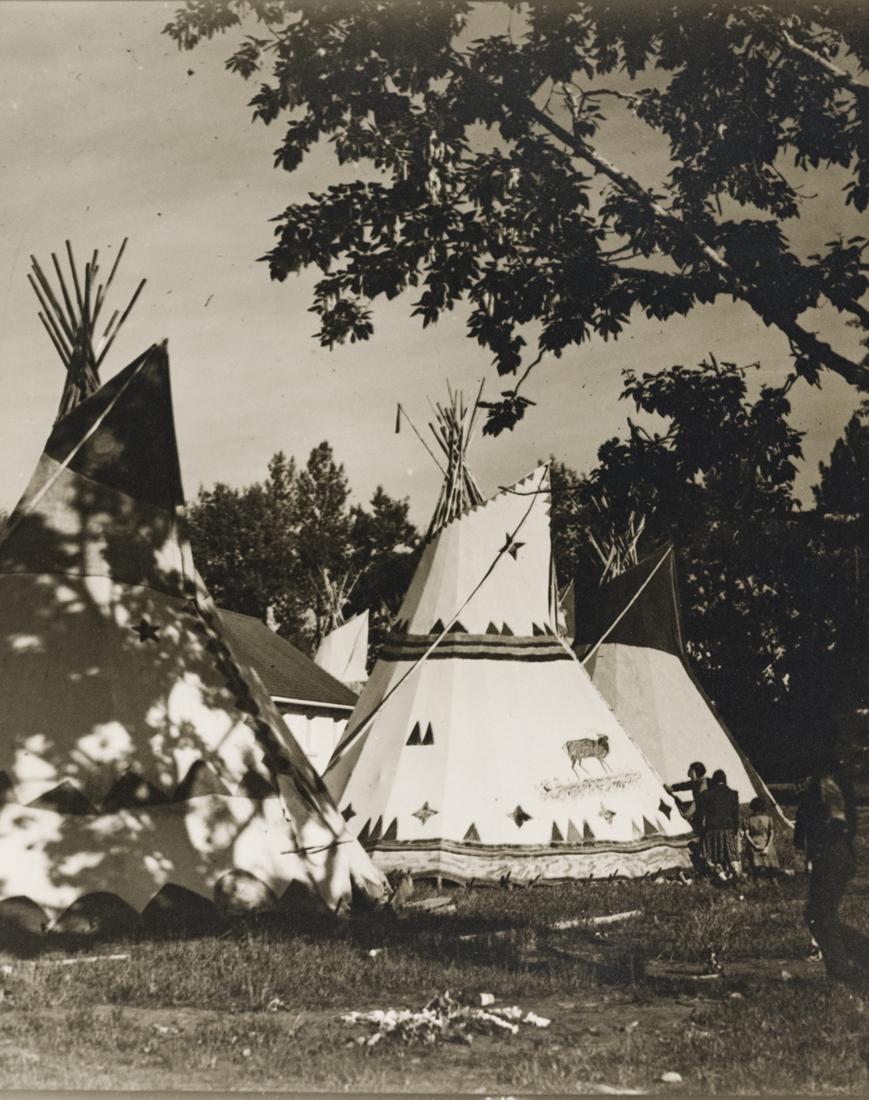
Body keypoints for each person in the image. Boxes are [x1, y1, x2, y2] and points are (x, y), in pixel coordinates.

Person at [794, 757, 867, 984]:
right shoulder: (823, 785)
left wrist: (821, 850)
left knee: (820, 916)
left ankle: (844, 974)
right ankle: (852, 964)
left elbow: (838, 821)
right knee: (820, 916)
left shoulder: (822, 784)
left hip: (831, 856)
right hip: (834, 856)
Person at [695, 769, 741, 881]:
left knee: (710, 856)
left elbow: (701, 814)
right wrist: (735, 831)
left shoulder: (706, 794)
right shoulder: (733, 794)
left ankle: (722, 877)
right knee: (730, 855)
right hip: (727, 828)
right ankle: (736, 875)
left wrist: (700, 829)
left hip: (711, 829)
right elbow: (735, 815)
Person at [743, 796, 780, 881]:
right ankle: (775, 884)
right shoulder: (768, 819)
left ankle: (758, 882)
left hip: (754, 845)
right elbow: (771, 834)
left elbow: (747, 834)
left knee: (756, 869)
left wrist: (754, 845)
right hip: (766, 844)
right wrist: (767, 846)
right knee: (771, 869)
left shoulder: (748, 819)